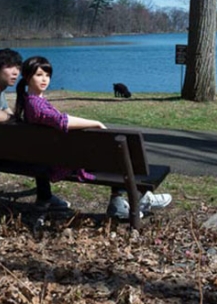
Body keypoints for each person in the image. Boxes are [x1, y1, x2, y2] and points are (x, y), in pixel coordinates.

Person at [14, 55, 172, 220]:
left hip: (53, 156)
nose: (44, 79)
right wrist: (95, 123)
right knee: (115, 153)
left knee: (111, 152)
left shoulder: (27, 102)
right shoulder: (36, 105)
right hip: (65, 162)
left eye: (47, 75)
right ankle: (137, 198)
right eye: (39, 75)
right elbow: (61, 121)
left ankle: (128, 200)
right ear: (27, 77)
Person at [0, 48, 68, 211]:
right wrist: (13, 119)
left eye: (18, 68)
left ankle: (45, 197)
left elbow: (10, 116)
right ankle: (45, 198)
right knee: (41, 154)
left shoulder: (0, 93)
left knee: (37, 150)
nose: (15, 72)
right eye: (10, 67)